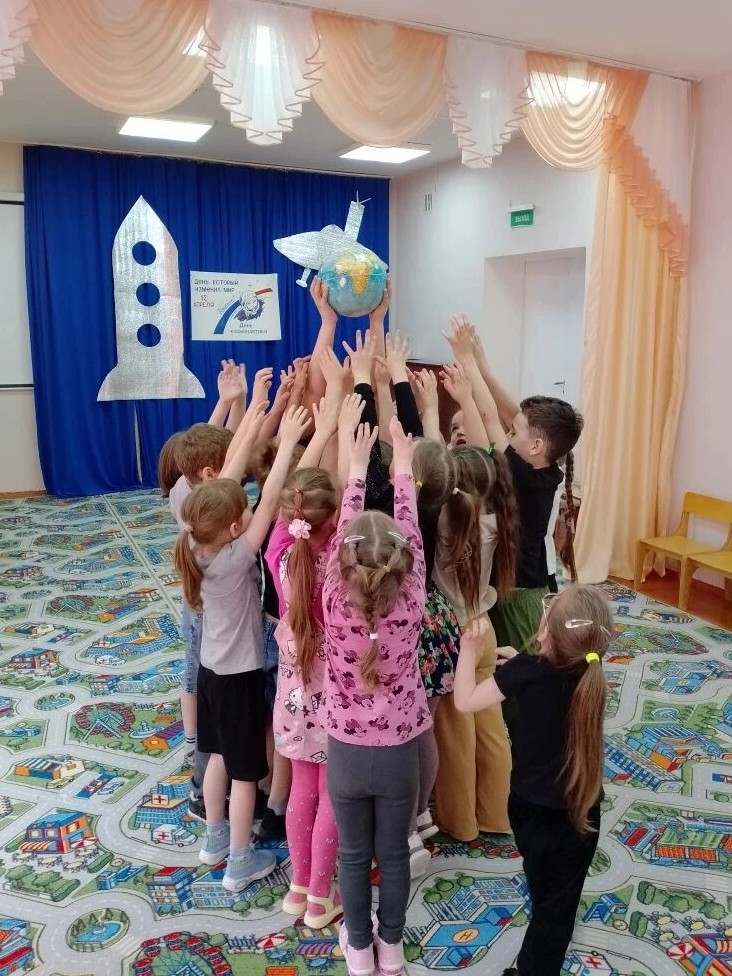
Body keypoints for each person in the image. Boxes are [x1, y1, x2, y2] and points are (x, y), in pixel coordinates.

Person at [174, 402, 311, 892]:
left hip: (210, 674)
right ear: (234, 528)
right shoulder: (235, 558)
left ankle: (213, 838)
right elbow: (271, 499)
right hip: (238, 679)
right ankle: (239, 859)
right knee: (245, 773)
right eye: (244, 513)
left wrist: (254, 419)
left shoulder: (193, 542)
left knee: (214, 756)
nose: (251, 512)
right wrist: (287, 443)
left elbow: (222, 492)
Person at [454, 584, 613, 976]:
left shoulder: (526, 672)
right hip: (583, 810)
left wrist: (469, 651)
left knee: (547, 903)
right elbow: (550, 679)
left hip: (530, 811)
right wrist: (519, 666)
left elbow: (464, 700)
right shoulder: (591, 676)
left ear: (544, 633)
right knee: (559, 903)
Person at [324, 408, 430, 976]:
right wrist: (403, 467)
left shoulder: (331, 595)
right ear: (404, 564)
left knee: (351, 855)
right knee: (393, 855)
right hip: (398, 757)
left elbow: (347, 531)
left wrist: (357, 466)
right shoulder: (412, 596)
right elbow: (409, 532)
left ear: (341, 563)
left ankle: (359, 952)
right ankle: (391, 949)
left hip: (344, 752)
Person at [266, 450, 342, 928]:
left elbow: (287, 510)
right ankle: (319, 895)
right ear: (332, 518)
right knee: (332, 793)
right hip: (335, 701)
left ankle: (298, 887)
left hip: (293, 699)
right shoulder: (340, 558)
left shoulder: (279, 549)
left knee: (301, 788)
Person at [431, 438, 519, 841]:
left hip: (454, 635)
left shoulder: (444, 522)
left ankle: (461, 822)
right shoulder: (496, 520)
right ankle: (496, 813)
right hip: (484, 627)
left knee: (456, 736)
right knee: (491, 728)